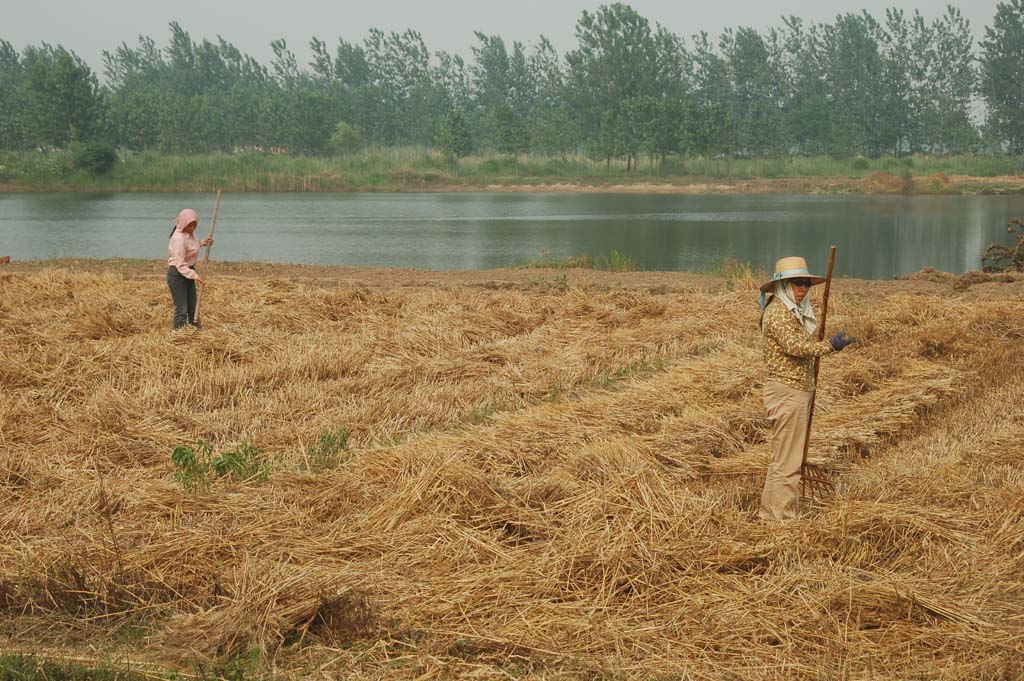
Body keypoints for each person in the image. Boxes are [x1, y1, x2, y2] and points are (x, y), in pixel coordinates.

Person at [757, 256, 856, 520]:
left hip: (796, 391)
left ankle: (771, 513)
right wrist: (829, 347)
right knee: (788, 462)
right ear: (784, 286)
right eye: (798, 284)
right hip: (787, 392)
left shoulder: (793, 312)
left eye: (806, 285)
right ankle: (783, 518)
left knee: (785, 457)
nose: (802, 290)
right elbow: (795, 347)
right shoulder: (778, 312)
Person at [167, 208, 212, 330]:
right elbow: (180, 265)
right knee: (182, 308)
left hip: (188, 271)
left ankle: (196, 331)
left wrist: (203, 243)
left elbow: (192, 245)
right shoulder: (178, 239)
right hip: (177, 274)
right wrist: (195, 276)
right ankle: (179, 335)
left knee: (193, 305)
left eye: (194, 225)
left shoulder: (189, 234)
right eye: (189, 226)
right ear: (183, 223)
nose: (192, 228)